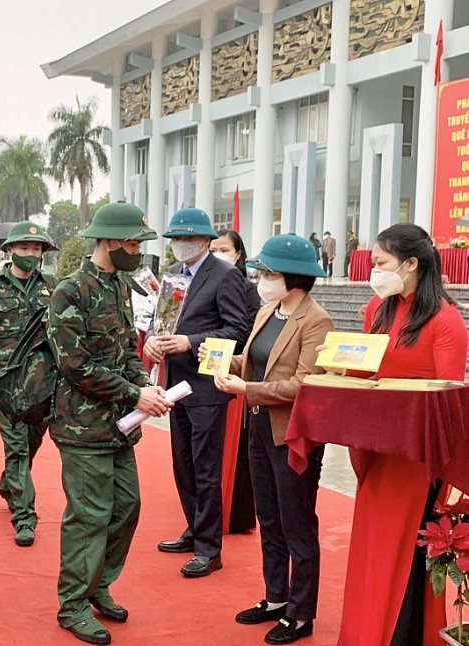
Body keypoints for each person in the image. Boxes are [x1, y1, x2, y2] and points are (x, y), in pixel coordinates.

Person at [48, 201, 172, 645]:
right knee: (89, 515)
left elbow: (123, 351)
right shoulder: (71, 290)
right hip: (81, 428)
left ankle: (98, 581)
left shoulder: (119, 287)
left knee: (127, 506)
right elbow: (74, 366)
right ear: (109, 241)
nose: (138, 251)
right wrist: (133, 392)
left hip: (120, 424)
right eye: (133, 243)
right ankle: (73, 603)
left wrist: (146, 384)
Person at [338, 223, 468, 646]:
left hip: (416, 460)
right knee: (372, 549)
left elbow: (447, 402)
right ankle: (365, 630)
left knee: (404, 553)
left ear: (411, 264)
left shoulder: (446, 321)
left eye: (380, 263)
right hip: (377, 451)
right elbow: (359, 367)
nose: (374, 271)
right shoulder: (379, 310)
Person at [207, 234, 332, 645]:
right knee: (270, 518)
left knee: (297, 522)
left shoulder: (315, 320)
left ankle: (301, 613)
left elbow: (303, 384)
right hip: (258, 426)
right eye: (261, 272)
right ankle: (275, 597)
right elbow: (253, 360)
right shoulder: (268, 310)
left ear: (293, 279)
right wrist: (221, 359)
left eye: (269, 273)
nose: (261, 279)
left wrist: (248, 390)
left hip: (291, 433)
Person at [145, 207, 249, 577]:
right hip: (176, 383)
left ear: (204, 240)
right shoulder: (172, 274)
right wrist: (155, 341)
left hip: (207, 384)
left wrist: (190, 341)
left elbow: (237, 329)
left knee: (206, 468)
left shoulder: (225, 275)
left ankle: (210, 548)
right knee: (183, 464)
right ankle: (194, 527)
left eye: (186, 239)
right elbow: (163, 319)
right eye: (174, 239)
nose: (179, 246)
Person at [0, 221, 57, 547]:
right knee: (18, 450)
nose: (30, 254)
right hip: (7, 385)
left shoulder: (52, 286)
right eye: (24, 248)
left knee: (33, 444)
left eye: (36, 249)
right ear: (8, 250)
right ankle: (24, 516)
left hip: (44, 384)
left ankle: (9, 484)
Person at [210, 228, 260, 534]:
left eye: (224, 249)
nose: (218, 254)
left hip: (236, 372)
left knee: (236, 450)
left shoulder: (247, 289)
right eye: (213, 248)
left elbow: (246, 331)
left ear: (238, 254)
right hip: (210, 369)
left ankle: (235, 515)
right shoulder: (201, 282)